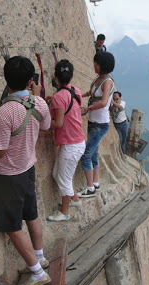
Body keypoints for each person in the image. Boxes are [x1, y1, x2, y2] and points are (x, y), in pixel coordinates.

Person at [0, 56, 52, 285]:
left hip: (8, 176)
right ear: (31, 80)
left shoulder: (5, 111)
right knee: (31, 214)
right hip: (28, 168)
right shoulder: (39, 104)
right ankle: (39, 257)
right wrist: (38, 95)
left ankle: (37, 272)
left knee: (12, 226)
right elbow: (45, 126)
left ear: (6, 80)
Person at [45, 60, 86, 222]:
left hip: (71, 145)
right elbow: (70, 106)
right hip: (77, 141)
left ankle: (64, 212)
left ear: (56, 76)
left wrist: (43, 123)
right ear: (71, 75)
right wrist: (55, 100)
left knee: (64, 179)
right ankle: (75, 200)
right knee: (58, 174)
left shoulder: (58, 97)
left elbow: (58, 123)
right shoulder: (76, 91)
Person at [79, 52, 115, 198]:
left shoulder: (107, 82)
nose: (94, 65)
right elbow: (92, 93)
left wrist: (87, 109)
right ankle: (96, 182)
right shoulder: (98, 79)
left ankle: (90, 188)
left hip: (100, 124)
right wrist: (79, 95)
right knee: (94, 154)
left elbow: (104, 102)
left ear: (103, 65)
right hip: (94, 122)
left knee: (86, 156)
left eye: (96, 63)